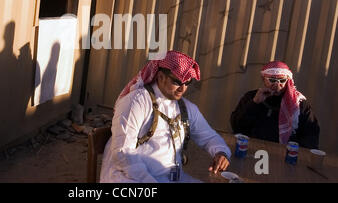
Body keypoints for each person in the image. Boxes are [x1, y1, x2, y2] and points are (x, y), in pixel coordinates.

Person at [100, 50, 231, 183]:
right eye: (177, 82)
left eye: (187, 83)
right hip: (132, 177)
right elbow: (122, 153)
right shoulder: (137, 101)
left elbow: (209, 137)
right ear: (161, 77)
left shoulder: (186, 108)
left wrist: (221, 153)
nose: (183, 89)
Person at [230, 61, 320, 149]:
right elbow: (237, 126)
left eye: (282, 80)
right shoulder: (251, 97)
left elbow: (311, 137)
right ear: (264, 79)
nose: (277, 84)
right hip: (251, 150)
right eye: (272, 80)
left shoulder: (299, 105)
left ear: (288, 81)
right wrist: (254, 103)